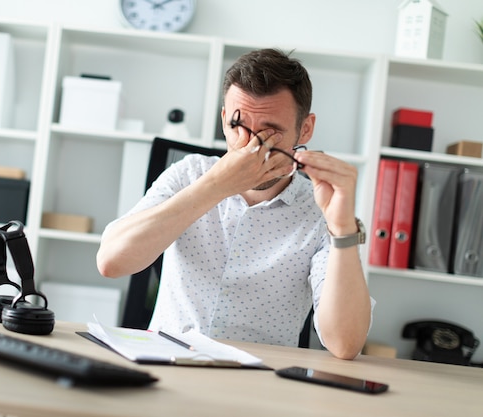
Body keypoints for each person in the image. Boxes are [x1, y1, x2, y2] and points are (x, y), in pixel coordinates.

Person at [97, 48, 373, 360]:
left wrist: (342, 229)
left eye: (271, 134)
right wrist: (216, 186)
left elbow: (345, 345)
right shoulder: (189, 174)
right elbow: (111, 262)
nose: (251, 147)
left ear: (305, 129)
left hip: (260, 386)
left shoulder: (321, 209)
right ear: (224, 118)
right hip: (166, 368)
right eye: (238, 128)